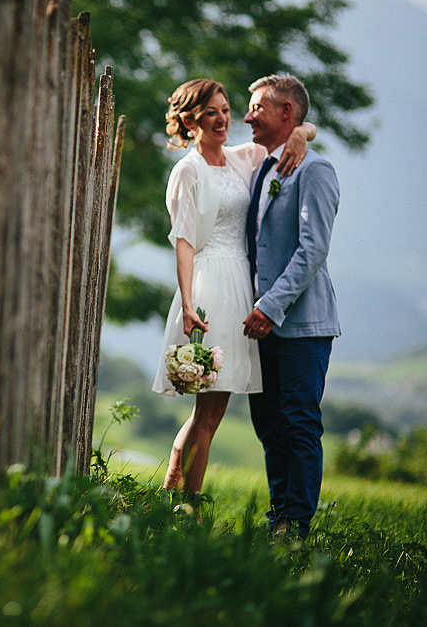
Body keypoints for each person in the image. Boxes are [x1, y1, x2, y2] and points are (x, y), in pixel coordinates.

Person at [151, 79, 316, 497]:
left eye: (226, 110)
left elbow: (296, 132)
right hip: (210, 288)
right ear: (190, 120)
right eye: (212, 112)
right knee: (210, 408)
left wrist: (300, 132)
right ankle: (188, 505)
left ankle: (172, 492)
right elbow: (185, 242)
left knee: (210, 408)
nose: (224, 119)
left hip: (241, 284)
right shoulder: (187, 170)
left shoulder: (241, 159)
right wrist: (189, 305)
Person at [241, 74, 341, 538]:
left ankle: (295, 526)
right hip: (262, 325)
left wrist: (270, 306)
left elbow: (312, 249)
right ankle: (277, 514)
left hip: (300, 324)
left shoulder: (314, 171)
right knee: (268, 427)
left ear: (285, 113)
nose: (247, 116)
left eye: (257, 107)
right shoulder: (262, 164)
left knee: (300, 424)